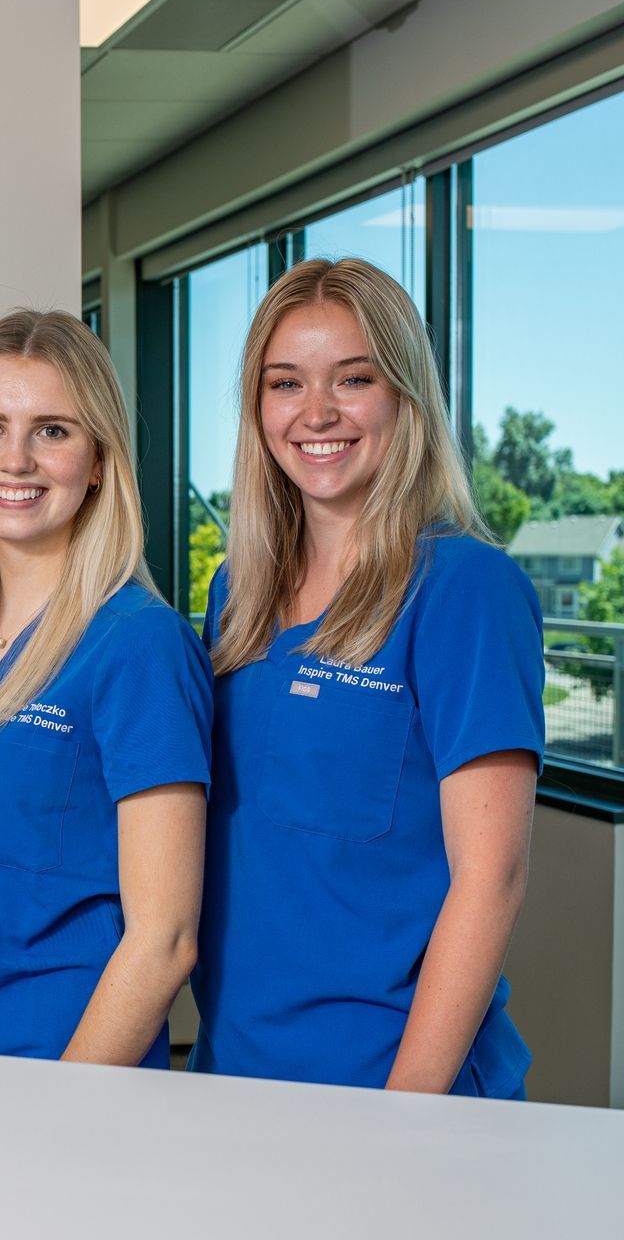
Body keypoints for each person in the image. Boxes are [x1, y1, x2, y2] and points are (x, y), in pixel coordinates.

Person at [189, 258, 540, 1097]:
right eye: (286, 383)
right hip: (235, 1071)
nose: (317, 412)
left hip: (393, 1086)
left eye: (354, 378)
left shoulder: (466, 591)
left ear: (406, 396)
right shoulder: (237, 594)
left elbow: (491, 877)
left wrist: (403, 1114)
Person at [0, 310, 211, 1065]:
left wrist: (56, 1112)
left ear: (97, 462)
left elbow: (164, 941)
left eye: (53, 430)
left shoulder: (138, 646)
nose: (15, 459)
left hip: (53, 1084)